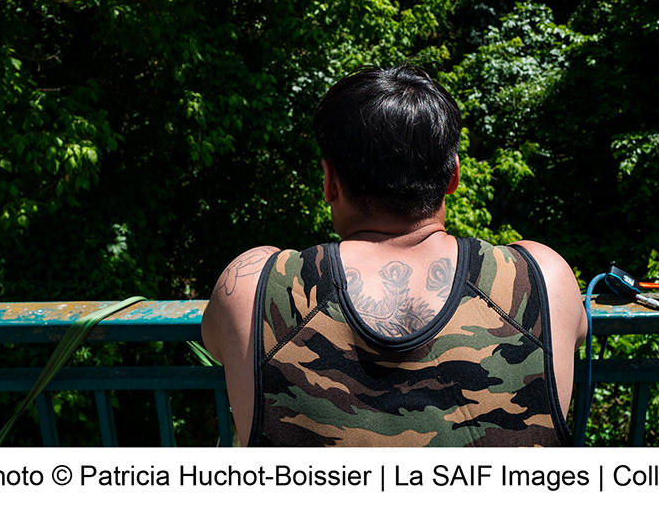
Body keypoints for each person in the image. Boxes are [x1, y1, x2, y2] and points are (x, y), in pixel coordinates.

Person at [201, 66, 585, 446]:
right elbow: (578, 333)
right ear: (453, 176)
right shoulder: (542, 277)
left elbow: (215, 344)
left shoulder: (255, 284)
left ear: (329, 181)